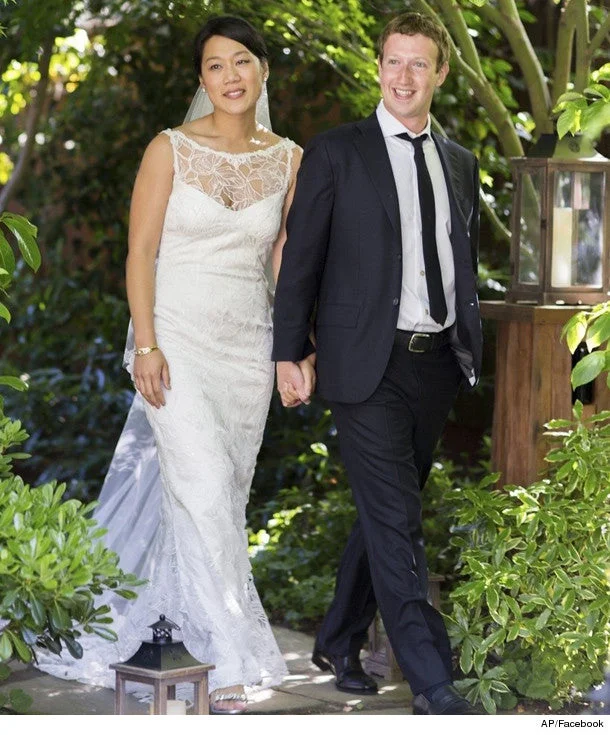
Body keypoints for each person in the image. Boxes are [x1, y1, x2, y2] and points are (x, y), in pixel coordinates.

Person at [37, 15, 301, 714]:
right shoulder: (170, 149)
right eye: (215, 66)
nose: (231, 76)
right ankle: (228, 659)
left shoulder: (289, 159)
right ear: (202, 79)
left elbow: (284, 261)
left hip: (247, 350)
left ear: (264, 70)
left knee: (218, 499)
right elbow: (140, 252)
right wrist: (145, 345)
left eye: (242, 61)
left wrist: (294, 347)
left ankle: (177, 628)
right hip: (175, 342)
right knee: (206, 488)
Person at [272, 12, 482, 716]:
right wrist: (289, 351)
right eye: (394, 61)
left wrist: (465, 348)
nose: (404, 76)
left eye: (418, 64)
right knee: (397, 518)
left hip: (435, 364)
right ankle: (432, 679)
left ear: (440, 73)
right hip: (363, 363)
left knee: (386, 511)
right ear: (379, 66)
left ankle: (337, 634)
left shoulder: (459, 162)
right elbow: (300, 259)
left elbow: (459, 263)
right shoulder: (338, 152)